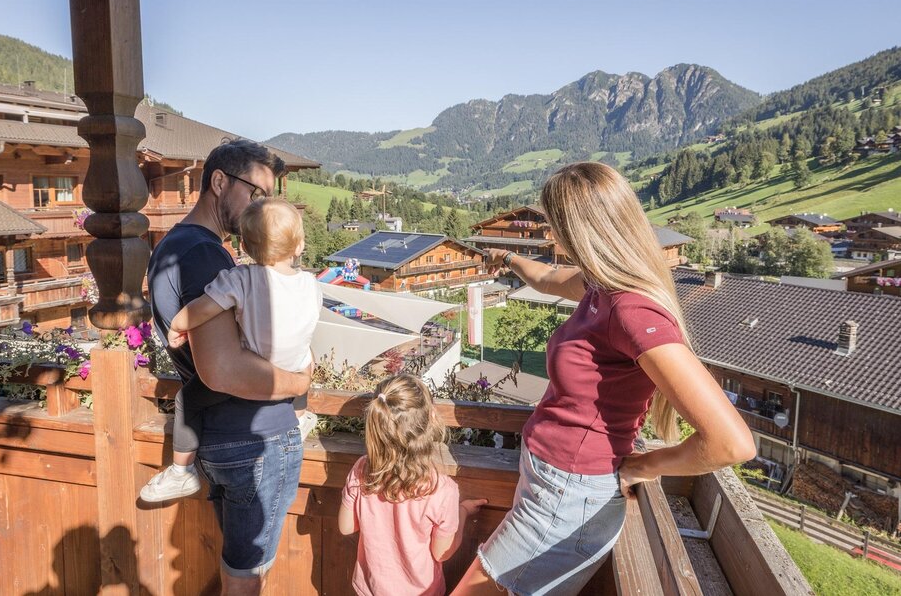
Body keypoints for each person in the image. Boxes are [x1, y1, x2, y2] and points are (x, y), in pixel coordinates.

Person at [452, 162, 755, 595]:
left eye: (557, 226)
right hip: (555, 486)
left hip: (568, 497)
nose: (552, 237)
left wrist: (642, 468)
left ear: (582, 229)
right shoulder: (600, 286)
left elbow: (731, 443)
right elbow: (547, 278)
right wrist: (509, 258)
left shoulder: (631, 310)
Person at [146, 139, 312, 596]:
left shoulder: (177, 246)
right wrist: (299, 381)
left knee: (240, 565)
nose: (263, 207)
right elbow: (222, 368)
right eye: (256, 192)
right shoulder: (203, 255)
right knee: (248, 573)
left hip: (224, 438)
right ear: (219, 181)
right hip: (254, 439)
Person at [141, 197, 321, 503]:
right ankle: (300, 417)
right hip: (293, 366)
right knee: (304, 358)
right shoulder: (311, 284)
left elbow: (202, 308)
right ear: (299, 246)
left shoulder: (240, 279)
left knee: (188, 399)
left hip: (254, 370)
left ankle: (182, 471)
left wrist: (177, 326)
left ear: (244, 246)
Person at [339, 375, 487, 596]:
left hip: (370, 589)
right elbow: (442, 553)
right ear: (432, 419)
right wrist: (463, 511)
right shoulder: (442, 490)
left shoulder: (363, 469)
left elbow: (346, 527)